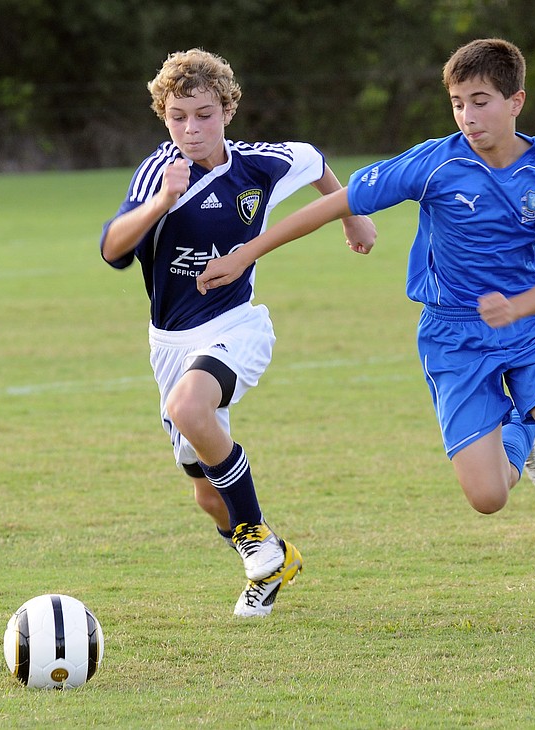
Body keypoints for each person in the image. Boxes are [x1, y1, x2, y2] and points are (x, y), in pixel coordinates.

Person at [197, 38, 535, 626]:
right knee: (488, 497)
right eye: (456, 103)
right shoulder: (435, 163)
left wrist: (519, 306)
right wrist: (248, 252)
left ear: (515, 100)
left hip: (533, 328)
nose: (468, 117)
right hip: (452, 337)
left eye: (481, 102)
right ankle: (524, 428)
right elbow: (335, 202)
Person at [100, 49, 376, 617]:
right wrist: (161, 202)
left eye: (203, 114)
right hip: (169, 343)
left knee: (189, 408)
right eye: (177, 116)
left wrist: (352, 216)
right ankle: (275, 556)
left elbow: (314, 159)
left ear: (227, 109)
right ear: (163, 115)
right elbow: (112, 249)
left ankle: (255, 542)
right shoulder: (160, 172)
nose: (190, 129)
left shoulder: (258, 165)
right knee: (206, 494)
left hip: (237, 326)